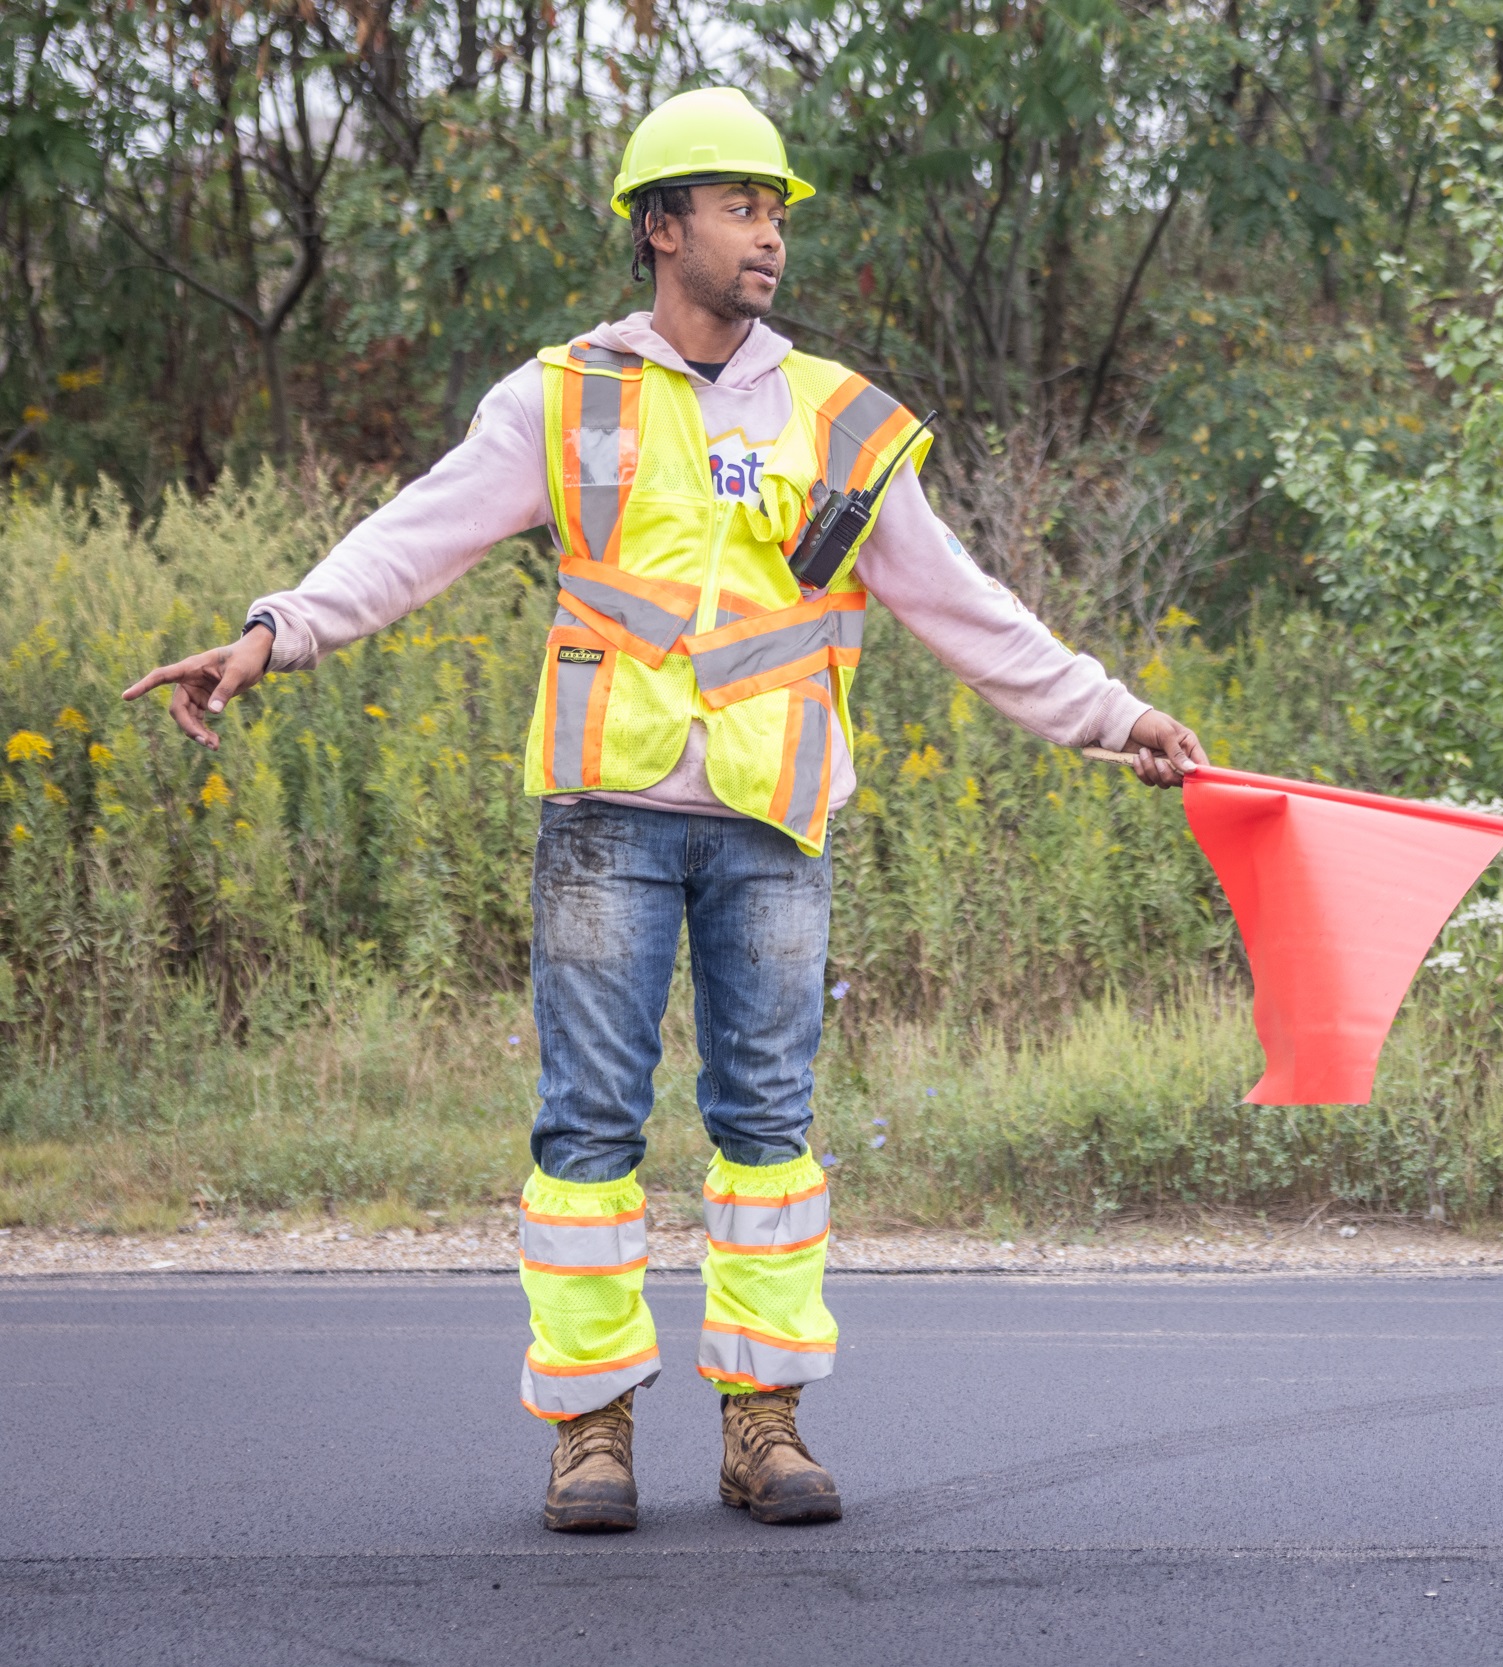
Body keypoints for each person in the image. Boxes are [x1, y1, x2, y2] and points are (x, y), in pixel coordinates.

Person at [121, 86, 1206, 1534]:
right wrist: (272, 632)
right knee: (586, 1129)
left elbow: (968, 610)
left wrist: (1112, 715)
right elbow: (413, 536)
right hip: (607, 821)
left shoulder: (838, 417)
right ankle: (590, 1434)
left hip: (771, 824)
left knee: (767, 1124)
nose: (767, 237)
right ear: (660, 226)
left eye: (775, 212)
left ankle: (763, 1426)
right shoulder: (560, 397)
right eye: (740, 209)